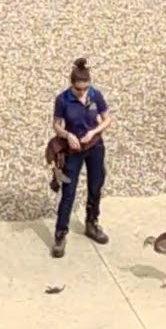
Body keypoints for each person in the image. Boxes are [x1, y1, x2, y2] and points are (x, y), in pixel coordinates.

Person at [50, 57, 112, 258]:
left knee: (95, 186)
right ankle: (60, 233)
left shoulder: (96, 96)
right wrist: (68, 135)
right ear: (72, 85)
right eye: (78, 89)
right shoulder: (62, 100)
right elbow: (57, 124)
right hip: (73, 150)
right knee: (69, 192)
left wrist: (93, 133)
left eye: (85, 89)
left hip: (94, 146)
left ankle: (92, 223)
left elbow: (107, 119)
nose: (82, 93)